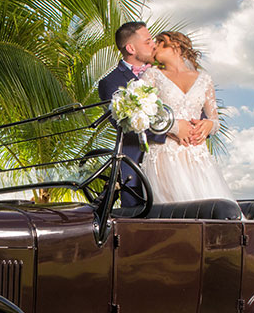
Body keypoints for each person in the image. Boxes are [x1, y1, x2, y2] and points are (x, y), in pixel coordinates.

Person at [137, 31, 234, 202]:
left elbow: (215, 120)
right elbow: (141, 115)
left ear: (176, 45)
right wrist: (173, 126)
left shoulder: (204, 79)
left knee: (209, 209)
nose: (154, 46)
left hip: (197, 156)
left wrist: (209, 126)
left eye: (160, 42)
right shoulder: (152, 75)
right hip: (165, 156)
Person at [98, 21, 167, 206]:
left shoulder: (168, 72)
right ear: (130, 48)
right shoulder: (111, 82)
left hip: (178, 165)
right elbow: (126, 125)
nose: (154, 45)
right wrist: (174, 130)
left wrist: (201, 126)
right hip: (137, 172)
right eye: (148, 41)